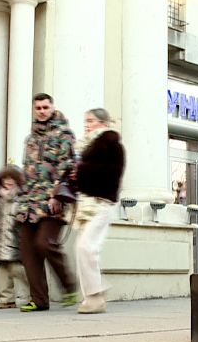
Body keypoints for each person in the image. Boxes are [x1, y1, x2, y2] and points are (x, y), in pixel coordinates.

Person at [16, 93, 78, 312]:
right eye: (38, 108)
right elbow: (26, 170)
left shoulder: (64, 135)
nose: (42, 111)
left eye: (45, 107)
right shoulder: (30, 139)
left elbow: (68, 166)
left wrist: (57, 196)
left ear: (52, 108)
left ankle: (70, 286)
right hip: (29, 202)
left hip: (53, 201)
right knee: (28, 252)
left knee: (44, 243)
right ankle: (39, 299)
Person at [68, 108, 125, 314]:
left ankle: (95, 295)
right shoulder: (84, 147)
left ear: (103, 123)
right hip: (85, 203)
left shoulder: (112, 145)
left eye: (91, 121)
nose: (86, 124)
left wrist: (81, 171)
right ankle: (92, 295)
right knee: (81, 248)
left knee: (86, 247)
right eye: (85, 120)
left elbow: (111, 173)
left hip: (101, 203)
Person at [0, 165, 30, 309]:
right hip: (0, 242)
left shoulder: (20, 200)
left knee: (18, 270)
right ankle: (6, 298)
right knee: (3, 272)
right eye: (6, 178)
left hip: (16, 242)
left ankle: (34, 291)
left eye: (12, 179)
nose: (8, 181)